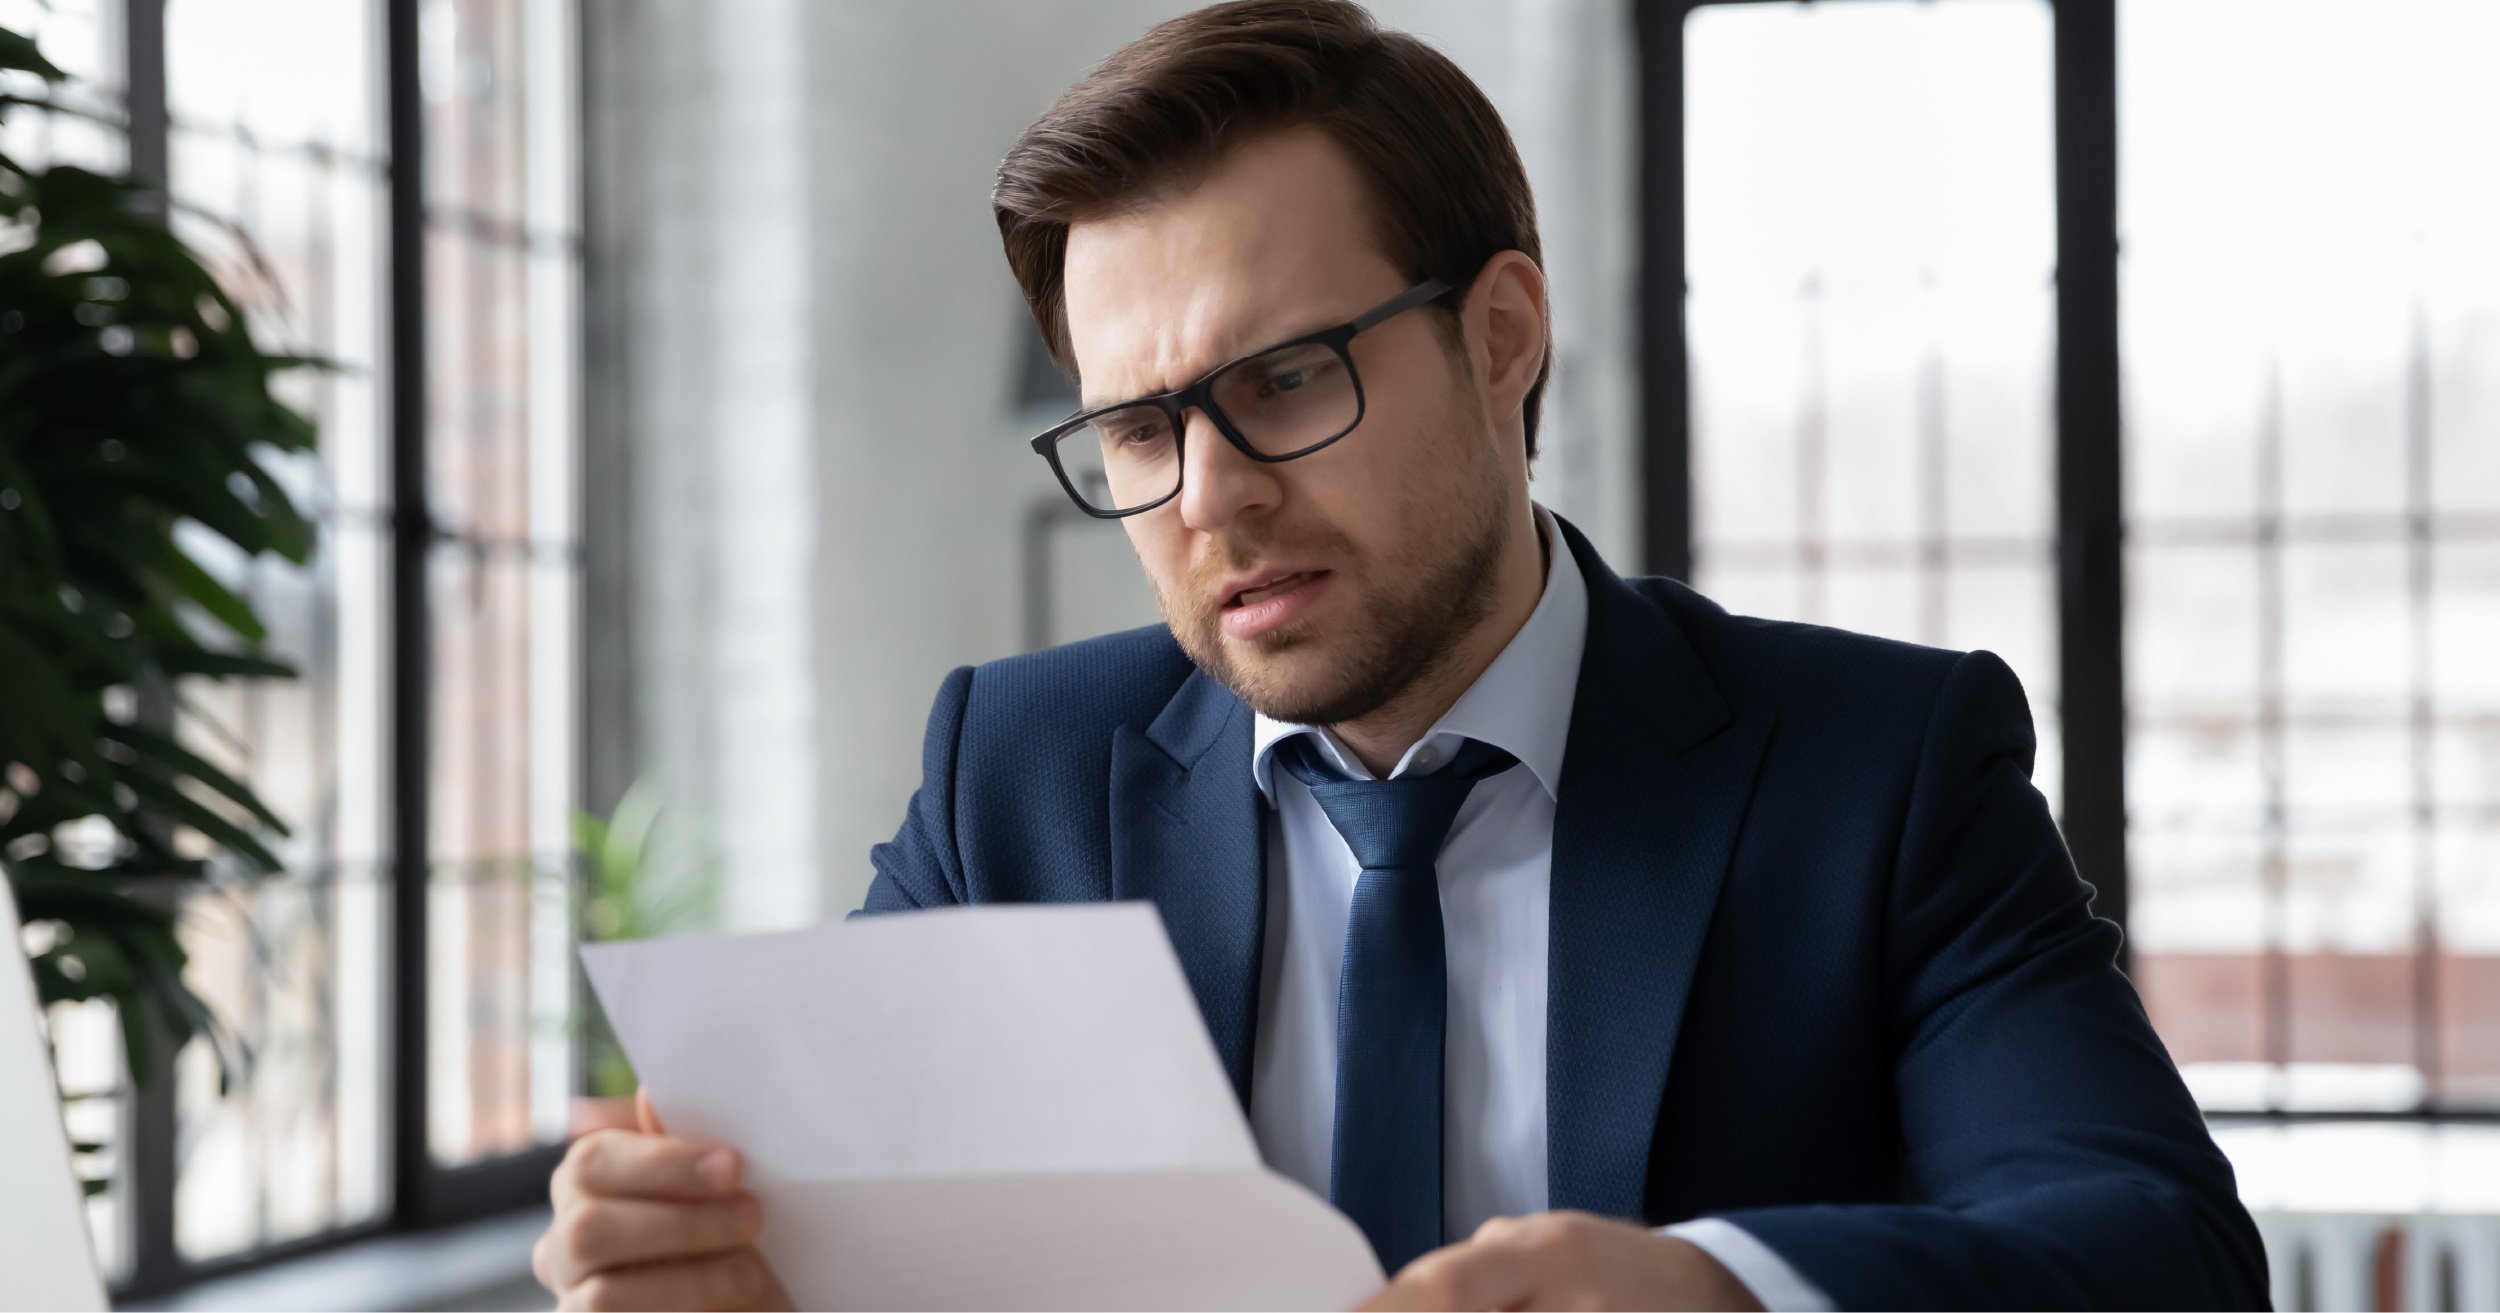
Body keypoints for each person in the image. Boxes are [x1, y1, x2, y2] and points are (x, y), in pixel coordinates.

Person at [532, 2, 2270, 1308]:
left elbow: (2162, 1250)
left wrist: (1722, 1290)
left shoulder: (1877, 766)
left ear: (1502, 337)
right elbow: (865, 1250)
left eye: (1286, 379)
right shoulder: (1015, 776)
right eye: (1138, 429)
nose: (1210, 497)